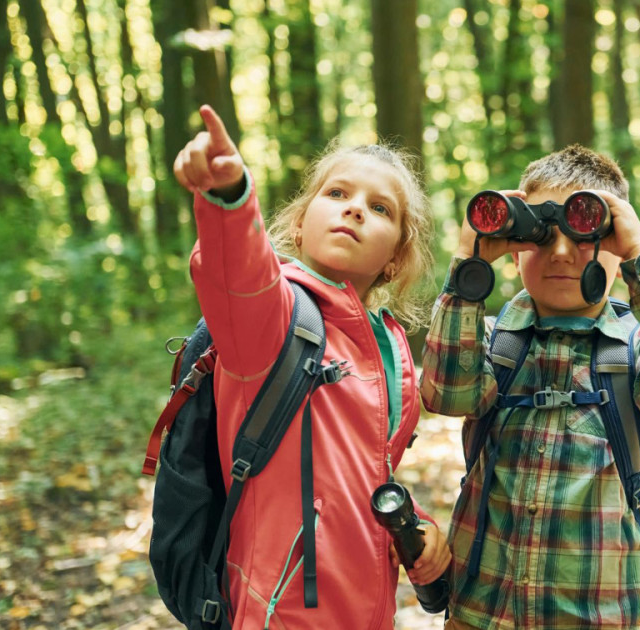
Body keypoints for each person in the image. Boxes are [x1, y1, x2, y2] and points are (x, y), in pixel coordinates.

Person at [170, 105, 450, 628]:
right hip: (277, 611)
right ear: (299, 226)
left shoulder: (391, 349)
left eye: (381, 208)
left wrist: (418, 530)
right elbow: (236, 270)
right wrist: (229, 198)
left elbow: (356, 477)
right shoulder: (268, 319)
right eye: (337, 194)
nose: (355, 210)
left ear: (396, 257)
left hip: (368, 611)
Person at [419, 145, 640, 629]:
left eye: (582, 234)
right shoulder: (493, 342)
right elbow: (445, 393)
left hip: (600, 615)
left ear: (613, 245)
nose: (559, 252)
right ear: (515, 250)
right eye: (539, 234)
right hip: (484, 614)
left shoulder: (635, 351)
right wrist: (466, 269)